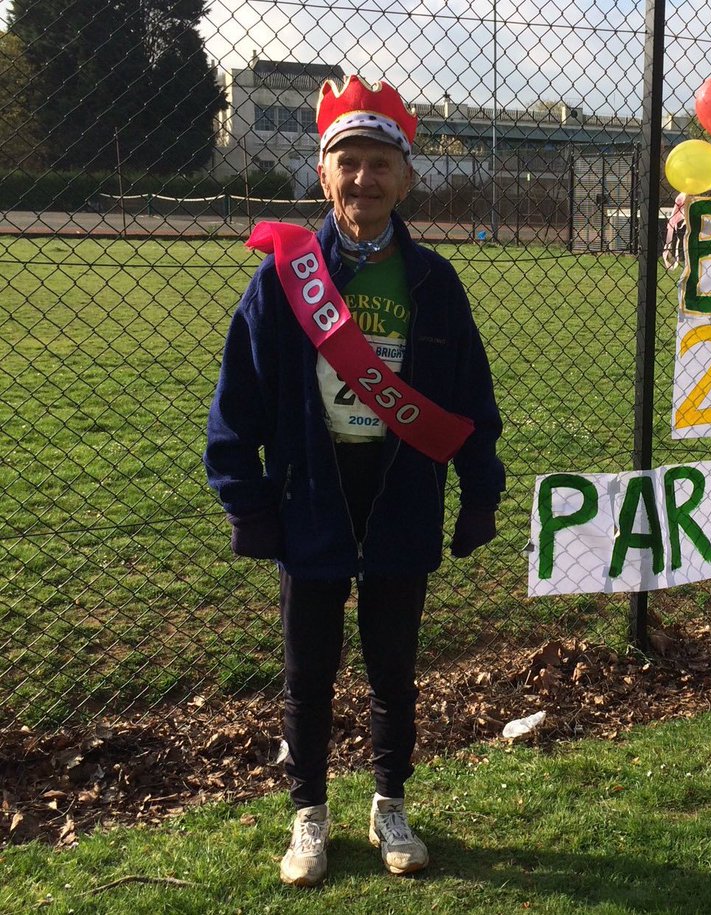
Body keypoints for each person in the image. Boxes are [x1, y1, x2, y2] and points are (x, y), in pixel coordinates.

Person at [205, 74, 505, 886]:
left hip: (402, 496)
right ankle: (309, 814)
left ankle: (388, 803)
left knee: (393, 667)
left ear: (406, 179)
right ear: (324, 172)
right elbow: (237, 402)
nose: (364, 179)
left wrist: (481, 490)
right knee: (308, 670)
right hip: (312, 495)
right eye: (349, 162)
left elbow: (468, 399)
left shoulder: (437, 284)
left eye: (380, 164)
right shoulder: (280, 279)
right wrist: (248, 504)